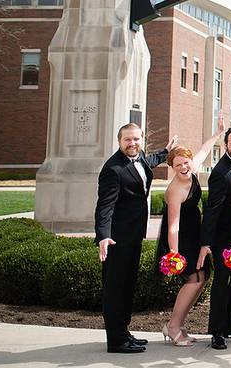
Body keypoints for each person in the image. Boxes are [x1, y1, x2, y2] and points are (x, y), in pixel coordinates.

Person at [95, 123, 175, 353]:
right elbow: (104, 207)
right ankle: (116, 340)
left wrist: (166, 152)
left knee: (127, 286)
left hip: (133, 236)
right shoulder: (113, 169)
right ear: (119, 141)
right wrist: (103, 236)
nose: (132, 144)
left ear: (142, 140)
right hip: (116, 240)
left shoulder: (139, 159)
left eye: (136, 139)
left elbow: (148, 163)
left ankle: (124, 332)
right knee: (115, 289)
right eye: (127, 140)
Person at [156, 118, 225, 347]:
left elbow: (205, 149)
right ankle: (173, 326)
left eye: (186, 163)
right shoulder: (175, 190)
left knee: (203, 277)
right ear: (172, 168)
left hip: (195, 234)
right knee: (195, 278)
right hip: (181, 238)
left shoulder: (192, 170)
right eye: (178, 166)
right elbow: (172, 225)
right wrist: (174, 253)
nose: (184, 168)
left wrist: (218, 132)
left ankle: (177, 324)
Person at [199, 126, 231, 350]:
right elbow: (212, 209)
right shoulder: (220, 172)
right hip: (224, 238)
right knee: (222, 283)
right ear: (226, 145)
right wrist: (206, 243)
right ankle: (217, 332)